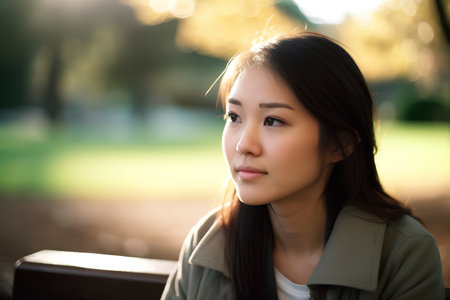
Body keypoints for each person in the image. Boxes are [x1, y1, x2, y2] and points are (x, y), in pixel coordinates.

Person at [161, 32, 445, 300]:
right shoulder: (207, 242)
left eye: (273, 120)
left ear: (340, 145)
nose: (244, 145)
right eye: (234, 117)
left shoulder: (403, 254)